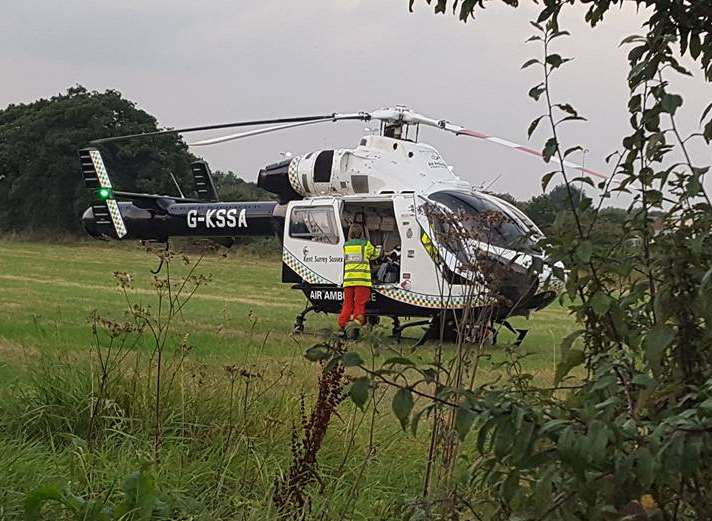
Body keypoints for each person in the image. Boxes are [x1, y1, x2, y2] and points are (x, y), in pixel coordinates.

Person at [338, 224, 381, 330]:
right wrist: (380, 248)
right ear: (362, 233)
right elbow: (375, 254)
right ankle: (355, 327)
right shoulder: (365, 245)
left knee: (347, 304)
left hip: (348, 280)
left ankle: (342, 324)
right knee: (359, 304)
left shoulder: (346, 246)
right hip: (362, 281)